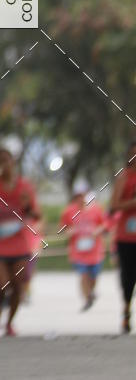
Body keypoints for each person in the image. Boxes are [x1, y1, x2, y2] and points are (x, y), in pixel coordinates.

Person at [0, 148, 41, 336]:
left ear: (14, 162)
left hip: (20, 245)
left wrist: (27, 206)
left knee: (18, 286)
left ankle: (10, 323)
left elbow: (36, 214)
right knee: (4, 284)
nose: (6, 164)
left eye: (8, 160)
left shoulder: (25, 186)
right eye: (2, 161)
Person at [59, 181, 107, 311]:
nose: (81, 198)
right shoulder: (69, 211)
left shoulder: (96, 209)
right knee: (84, 274)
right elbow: (63, 227)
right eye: (78, 196)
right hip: (78, 250)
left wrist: (97, 231)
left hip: (95, 250)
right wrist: (69, 231)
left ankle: (91, 291)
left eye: (83, 195)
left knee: (93, 276)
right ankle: (87, 298)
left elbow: (104, 224)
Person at [110, 139, 136, 333]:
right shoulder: (124, 178)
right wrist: (133, 203)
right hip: (126, 237)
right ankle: (126, 309)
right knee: (128, 276)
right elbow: (114, 206)